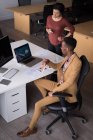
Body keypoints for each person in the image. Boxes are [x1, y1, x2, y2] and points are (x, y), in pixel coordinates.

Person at [17, 37, 82, 137]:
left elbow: (69, 83)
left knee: (37, 105)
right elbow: (57, 66)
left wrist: (54, 91)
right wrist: (48, 62)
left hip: (65, 92)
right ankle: (47, 101)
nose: (60, 47)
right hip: (59, 84)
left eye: (62, 46)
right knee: (37, 81)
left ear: (67, 49)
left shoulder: (77, 62)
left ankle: (31, 129)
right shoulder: (68, 57)